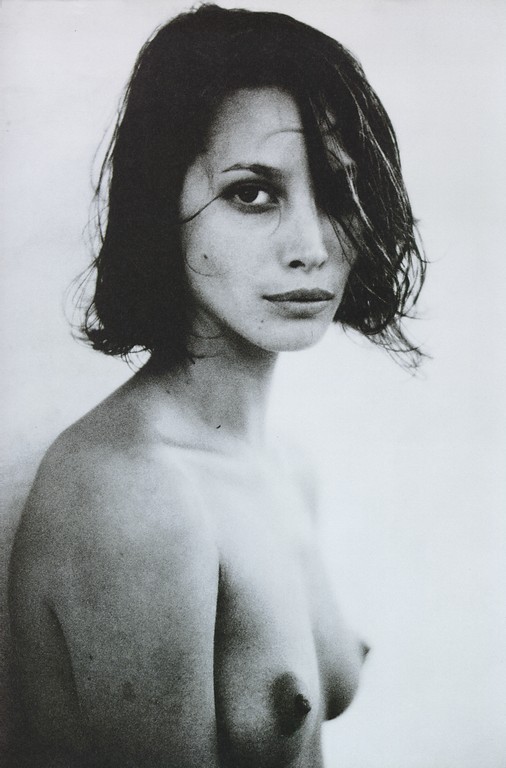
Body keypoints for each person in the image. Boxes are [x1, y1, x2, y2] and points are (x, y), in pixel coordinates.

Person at [8, 4, 425, 767]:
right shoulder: (136, 496)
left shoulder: (284, 464)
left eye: (339, 190)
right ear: (162, 205)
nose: (311, 245)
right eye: (252, 193)